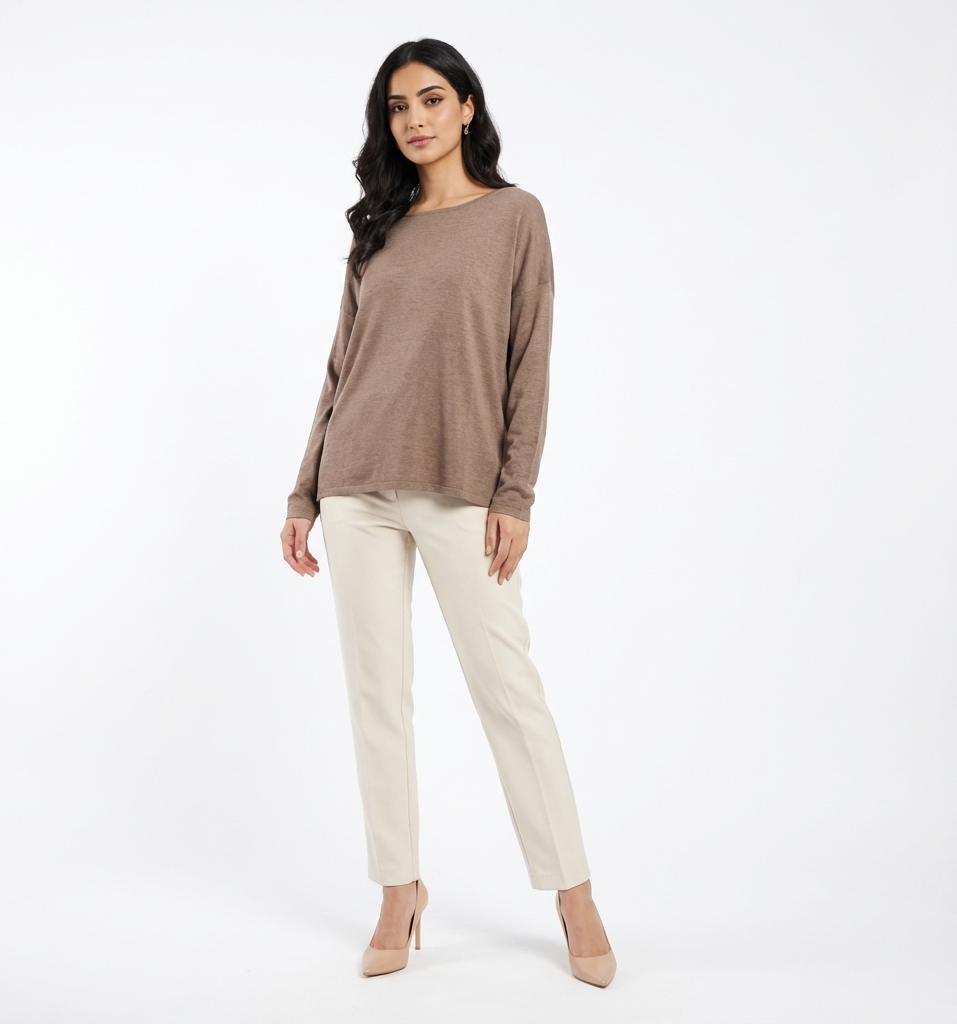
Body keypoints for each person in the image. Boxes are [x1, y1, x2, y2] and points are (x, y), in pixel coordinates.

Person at [281, 38, 615, 988]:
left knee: (507, 689)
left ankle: (574, 893)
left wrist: (515, 493)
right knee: (376, 695)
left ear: (468, 107)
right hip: (356, 483)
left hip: (462, 486)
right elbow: (341, 366)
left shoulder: (515, 217)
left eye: (432, 100)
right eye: (398, 107)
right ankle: (399, 889)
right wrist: (304, 490)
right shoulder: (377, 229)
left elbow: (530, 359)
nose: (415, 120)